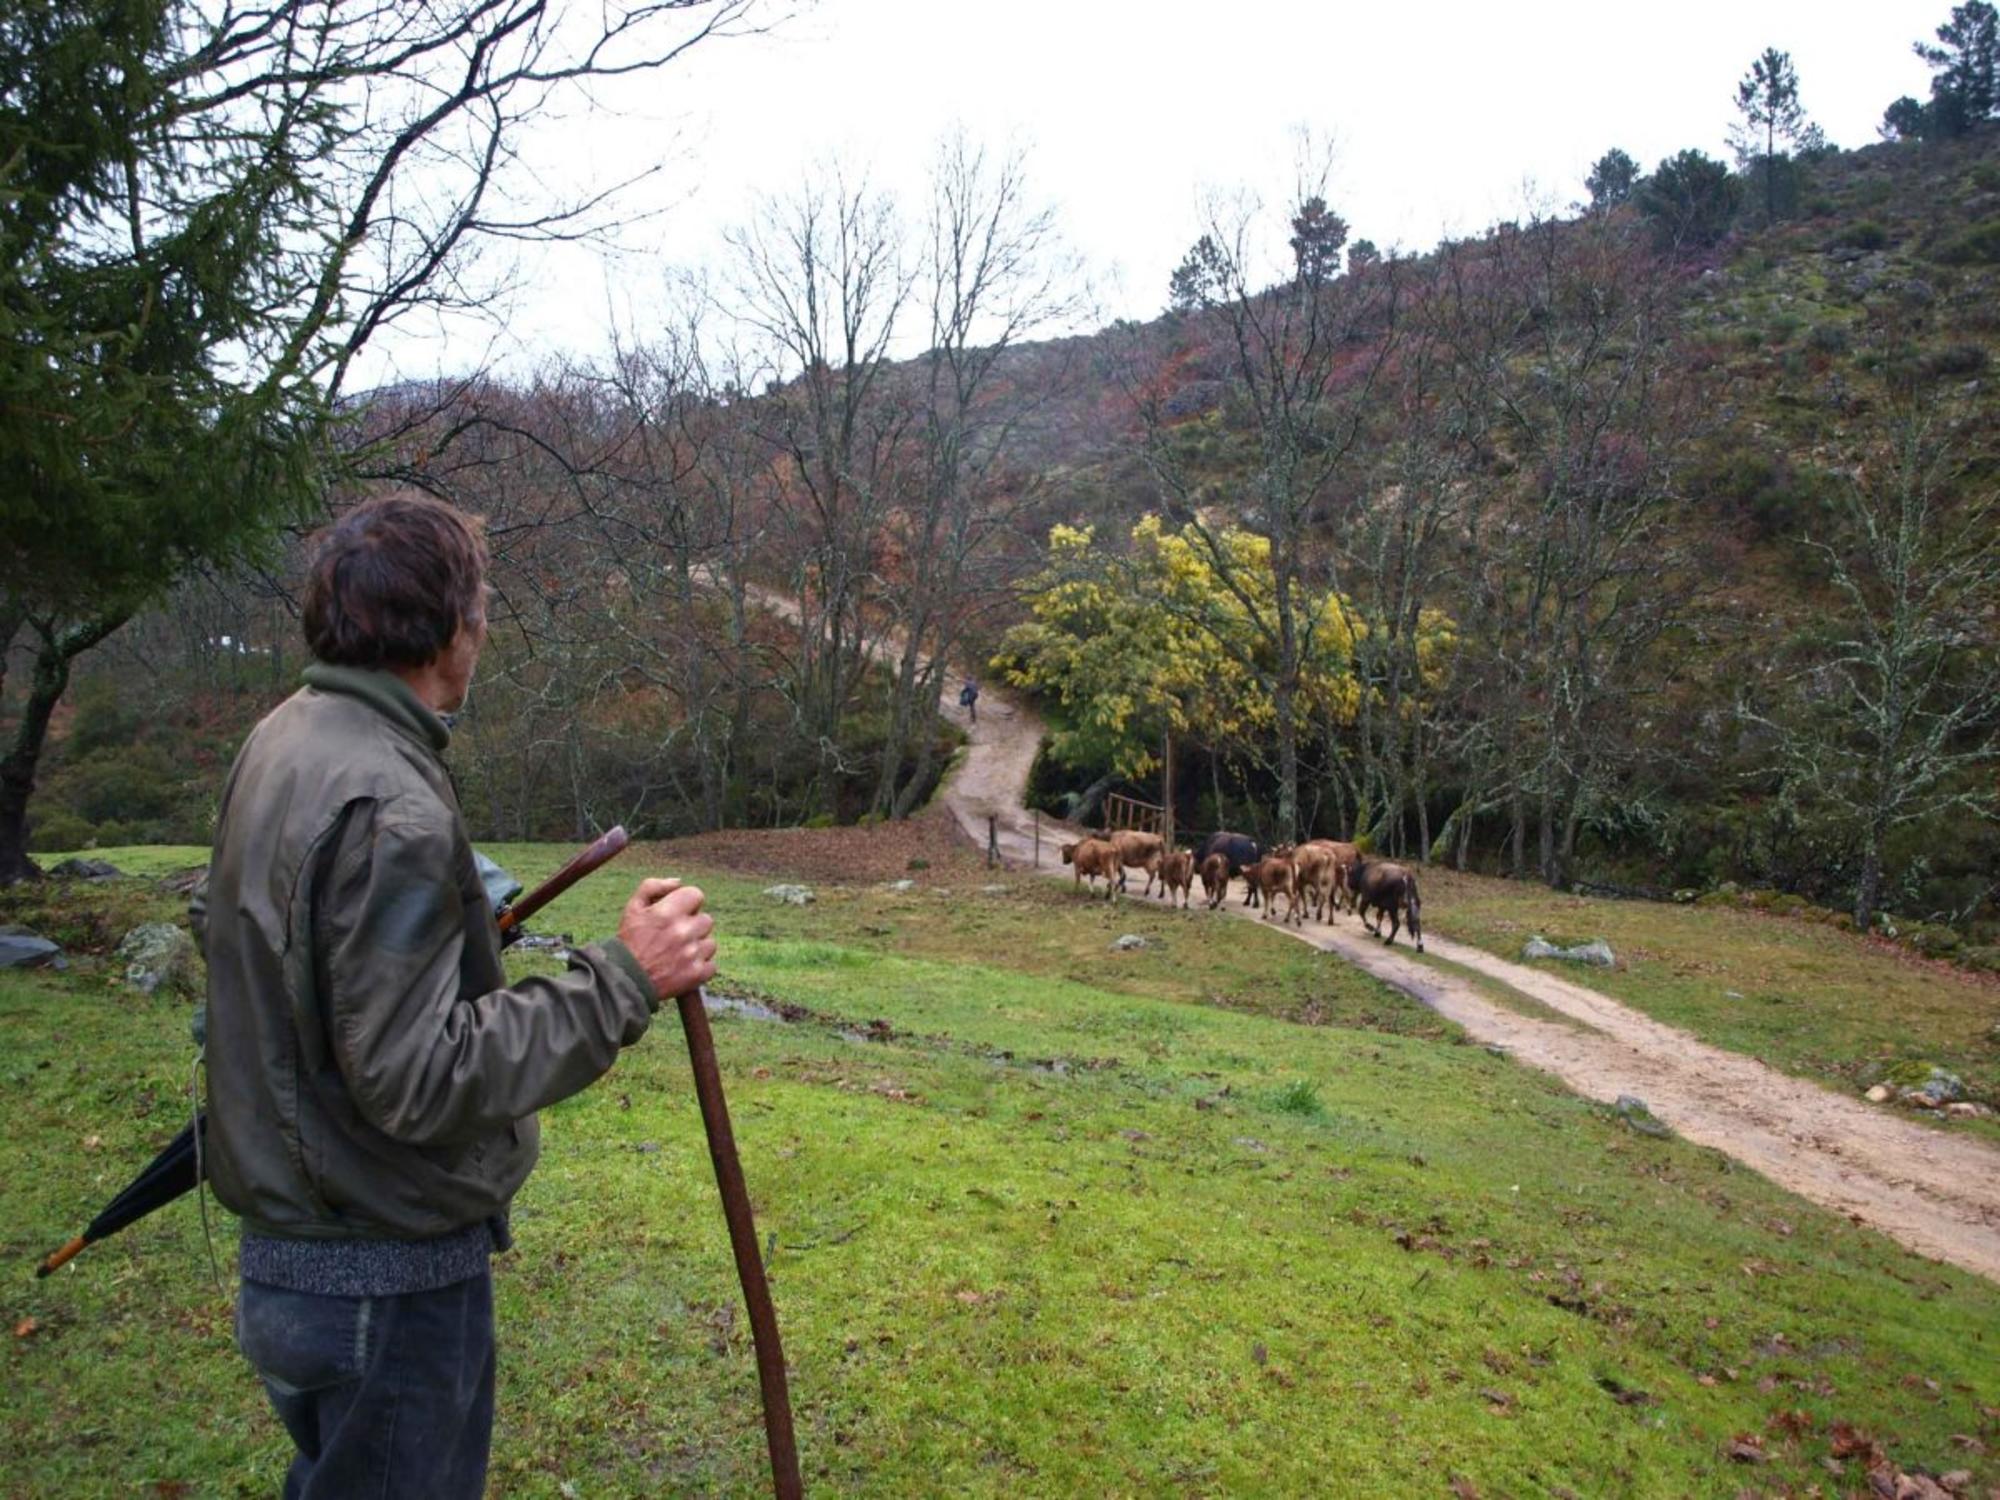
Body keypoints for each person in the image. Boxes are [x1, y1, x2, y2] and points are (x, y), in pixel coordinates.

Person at [193, 494, 717, 1499]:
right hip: (378, 1273)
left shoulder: (287, 738)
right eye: (481, 606)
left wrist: (456, 930)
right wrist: (624, 977)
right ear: (450, 628)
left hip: (297, 1251)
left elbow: (285, 955)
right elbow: (418, 1076)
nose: (485, 627)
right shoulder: (389, 798)